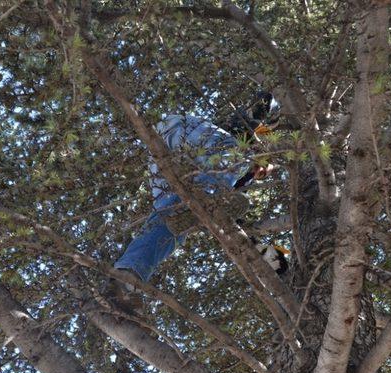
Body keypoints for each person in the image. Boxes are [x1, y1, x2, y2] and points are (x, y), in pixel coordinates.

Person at [107, 91, 281, 308]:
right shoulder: (238, 140)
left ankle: (125, 279)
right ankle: (203, 201)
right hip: (187, 136)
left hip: (170, 150)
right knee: (232, 157)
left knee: (168, 223)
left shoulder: (237, 171)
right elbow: (261, 104)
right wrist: (260, 154)